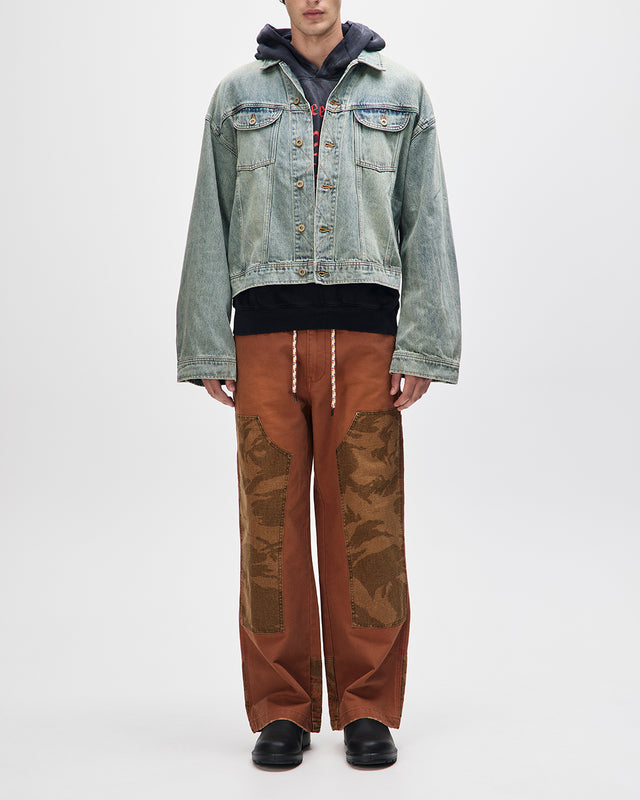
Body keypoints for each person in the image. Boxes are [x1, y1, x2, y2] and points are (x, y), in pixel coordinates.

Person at [176, 0, 461, 768]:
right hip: (264, 344)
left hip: (366, 344)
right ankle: (282, 709)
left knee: (368, 527)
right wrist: (206, 342)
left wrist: (425, 344)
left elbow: (426, 220)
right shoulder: (237, 95)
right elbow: (212, 216)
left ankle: (368, 707)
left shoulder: (401, 92)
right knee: (268, 530)